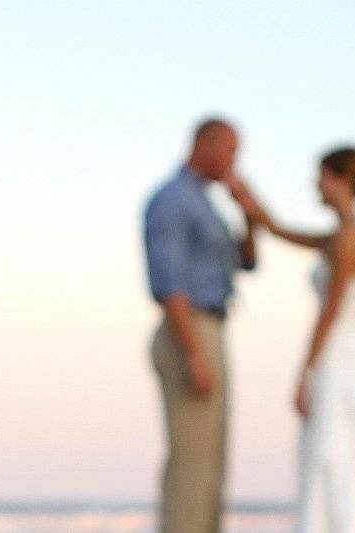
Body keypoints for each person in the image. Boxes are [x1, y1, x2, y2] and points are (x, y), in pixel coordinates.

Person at [232, 147, 355, 532]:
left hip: (338, 361)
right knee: (338, 452)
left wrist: (305, 373)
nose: (315, 184)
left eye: (321, 175)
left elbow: (330, 315)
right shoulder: (341, 235)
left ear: (342, 179)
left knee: (335, 453)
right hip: (341, 358)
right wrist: (247, 196)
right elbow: (278, 229)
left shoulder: (349, 239)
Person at [143, 118, 258, 533]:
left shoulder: (210, 203)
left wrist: (248, 211)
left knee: (212, 462)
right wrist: (192, 350)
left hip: (211, 328)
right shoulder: (174, 200)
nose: (234, 162)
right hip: (187, 328)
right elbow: (170, 281)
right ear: (205, 146)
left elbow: (247, 262)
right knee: (192, 461)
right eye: (230, 151)